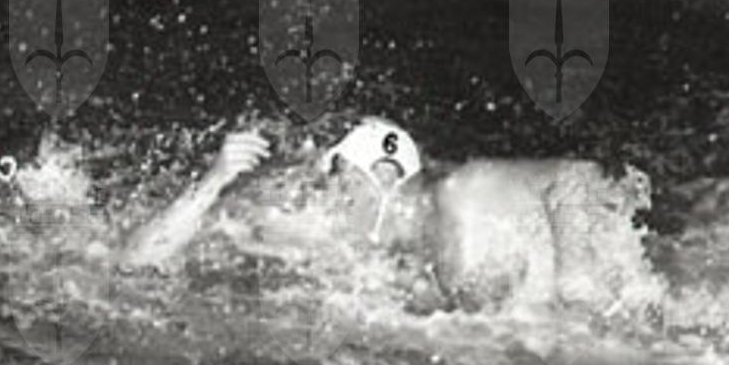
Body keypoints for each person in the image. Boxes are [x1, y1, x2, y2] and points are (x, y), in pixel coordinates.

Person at [76, 117, 648, 313]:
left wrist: (576, 279)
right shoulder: (353, 248)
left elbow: (577, 177)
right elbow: (134, 261)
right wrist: (215, 179)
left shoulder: (465, 195)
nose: (325, 198)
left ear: (377, 181)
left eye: (337, 182)